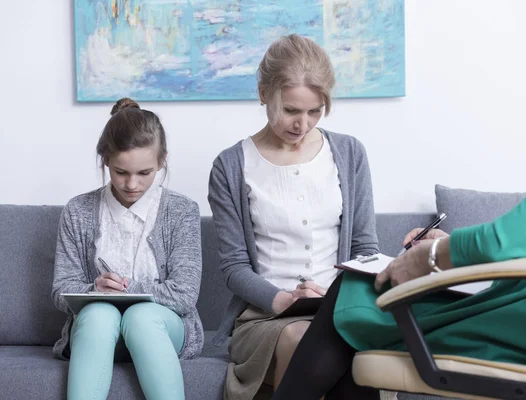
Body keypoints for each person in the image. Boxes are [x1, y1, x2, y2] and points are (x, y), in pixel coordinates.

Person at [273, 0, 526, 399]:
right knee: (355, 296)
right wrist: (441, 253)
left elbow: (502, 242)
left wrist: (426, 259)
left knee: (351, 291)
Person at [207, 34, 380, 399]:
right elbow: (234, 267)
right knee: (307, 339)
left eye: (314, 111)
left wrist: (335, 295)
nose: (302, 124)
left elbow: (366, 248)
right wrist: (282, 299)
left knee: (347, 342)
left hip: (339, 307)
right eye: (290, 110)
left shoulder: (349, 154)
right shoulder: (230, 166)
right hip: (267, 317)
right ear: (262, 93)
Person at [51, 98, 203, 400]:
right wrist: (94, 288)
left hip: (161, 330)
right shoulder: (78, 210)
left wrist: (128, 288)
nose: (132, 184)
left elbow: (185, 294)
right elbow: (60, 291)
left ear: (162, 161)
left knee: (142, 318)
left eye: (144, 173)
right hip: (97, 332)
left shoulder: (182, 211)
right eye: (120, 172)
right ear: (105, 160)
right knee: (98, 314)